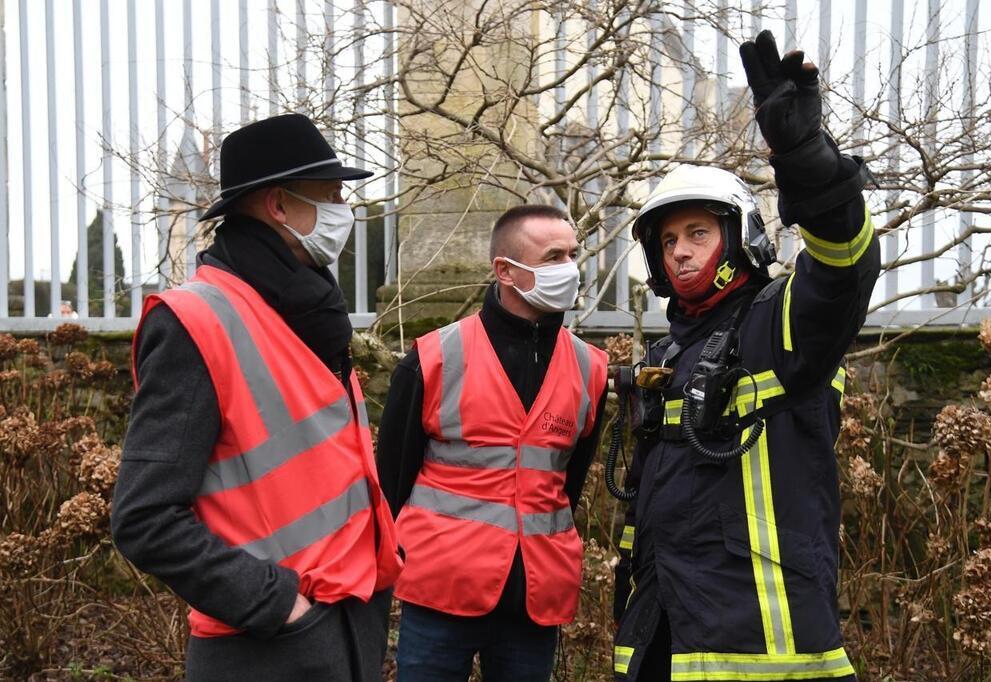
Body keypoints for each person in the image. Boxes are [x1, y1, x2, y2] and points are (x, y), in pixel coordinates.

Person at [611, 31, 879, 681]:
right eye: (667, 239)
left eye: (697, 232)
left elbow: (845, 265)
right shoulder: (666, 354)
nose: (678, 250)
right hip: (662, 639)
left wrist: (806, 159)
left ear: (740, 238)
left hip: (765, 648)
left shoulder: (781, 325)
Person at [111, 113, 403, 682]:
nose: (344, 209)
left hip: (345, 632)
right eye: (331, 194)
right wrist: (278, 604)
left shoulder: (304, 311)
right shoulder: (198, 321)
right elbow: (144, 518)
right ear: (277, 205)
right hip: (267, 647)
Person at [376, 204, 609, 681]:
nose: (569, 269)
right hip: (440, 594)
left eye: (572, 255)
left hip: (535, 599)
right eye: (552, 257)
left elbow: (568, 481)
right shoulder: (434, 357)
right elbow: (391, 481)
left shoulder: (590, 368)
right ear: (505, 270)